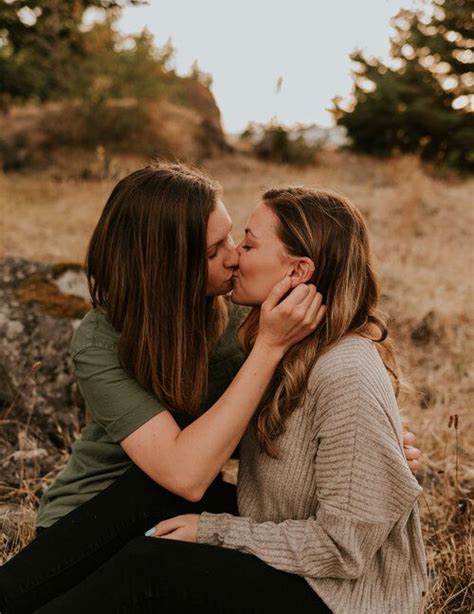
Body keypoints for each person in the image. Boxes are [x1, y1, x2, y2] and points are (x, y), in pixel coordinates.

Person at [0, 166, 420, 613]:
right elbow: (184, 474)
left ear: (299, 269)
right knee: (152, 501)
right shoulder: (104, 339)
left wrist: (375, 452)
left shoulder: (264, 326)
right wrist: (271, 350)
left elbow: (339, 526)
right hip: (98, 513)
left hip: (318, 571)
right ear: (168, 265)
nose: (235, 256)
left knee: (150, 560)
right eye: (214, 250)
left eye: (240, 241)